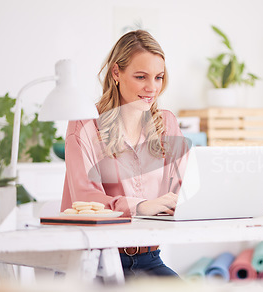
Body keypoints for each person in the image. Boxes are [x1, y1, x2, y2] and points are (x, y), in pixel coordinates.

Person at [60, 30, 189, 278]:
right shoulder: (85, 124)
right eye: (141, 76)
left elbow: (183, 186)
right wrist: (140, 206)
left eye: (159, 77)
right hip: (93, 262)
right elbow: (85, 198)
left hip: (149, 259)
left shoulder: (167, 124)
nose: (152, 88)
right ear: (116, 73)